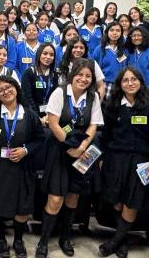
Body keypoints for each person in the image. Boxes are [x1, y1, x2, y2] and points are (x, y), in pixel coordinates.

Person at [36, 59, 103, 257]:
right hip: (60, 150)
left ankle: (65, 237)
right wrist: (69, 145)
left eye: (88, 76)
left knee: (73, 197)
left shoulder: (93, 97)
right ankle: (43, 241)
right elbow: (54, 123)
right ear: (72, 75)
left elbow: (93, 125)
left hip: (83, 153)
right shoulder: (59, 92)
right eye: (80, 75)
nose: (83, 79)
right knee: (55, 199)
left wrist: (82, 147)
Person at [98, 67, 149, 257]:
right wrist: (102, 158)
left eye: (134, 79)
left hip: (141, 162)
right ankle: (122, 239)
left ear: (141, 82)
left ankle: (114, 242)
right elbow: (106, 136)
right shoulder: (112, 106)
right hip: (115, 159)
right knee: (117, 202)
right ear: (120, 84)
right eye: (126, 80)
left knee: (131, 202)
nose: (130, 83)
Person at [0, 75, 45, 258]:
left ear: (17, 89)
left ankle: (18, 239)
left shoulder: (30, 114)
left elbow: (40, 139)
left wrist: (25, 150)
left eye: (9, 87)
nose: (6, 91)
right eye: (1, 89)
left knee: (22, 205)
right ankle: (0, 238)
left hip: (23, 168)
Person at [20, 43, 58, 123]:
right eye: (45, 53)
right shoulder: (29, 73)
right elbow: (27, 99)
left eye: (51, 55)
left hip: (49, 115)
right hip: (32, 115)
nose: (48, 57)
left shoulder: (55, 75)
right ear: (39, 54)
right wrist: (37, 118)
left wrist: (48, 116)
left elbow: (56, 99)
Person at [90, 22, 126, 92]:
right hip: (104, 84)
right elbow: (93, 67)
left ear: (121, 33)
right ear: (107, 32)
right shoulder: (99, 49)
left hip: (121, 84)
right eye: (112, 30)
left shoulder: (125, 49)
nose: (115, 33)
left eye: (118, 31)